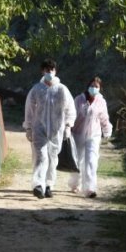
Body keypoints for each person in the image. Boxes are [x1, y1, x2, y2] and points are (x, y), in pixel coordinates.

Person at [23, 58, 76, 199]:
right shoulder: (36, 89)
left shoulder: (62, 90)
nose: (49, 72)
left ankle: (48, 185)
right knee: (41, 156)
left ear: (55, 71)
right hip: (39, 128)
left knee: (53, 158)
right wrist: (28, 127)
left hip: (56, 130)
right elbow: (29, 110)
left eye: (51, 70)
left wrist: (68, 126)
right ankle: (38, 185)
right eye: (47, 70)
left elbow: (70, 109)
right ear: (42, 71)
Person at [69, 76, 112, 198]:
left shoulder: (101, 102)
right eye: (92, 86)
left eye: (96, 87)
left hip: (94, 135)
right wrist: (68, 128)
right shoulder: (79, 100)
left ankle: (89, 188)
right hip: (77, 133)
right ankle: (75, 183)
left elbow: (104, 118)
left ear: (100, 88)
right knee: (77, 161)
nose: (94, 88)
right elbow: (71, 115)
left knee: (91, 161)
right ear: (88, 87)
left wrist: (107, 131)